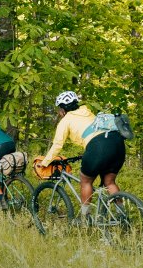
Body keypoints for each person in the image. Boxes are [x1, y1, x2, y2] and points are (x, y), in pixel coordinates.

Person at [38, 91, 126, 221]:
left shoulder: (66, 120)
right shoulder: (87, 111)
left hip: (98, 146)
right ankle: (122, 215)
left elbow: (57, 145)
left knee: (86, 181)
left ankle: (85, 219)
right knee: (109, 182)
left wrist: (44, 162)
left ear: (62, 109)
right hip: (117, 142)